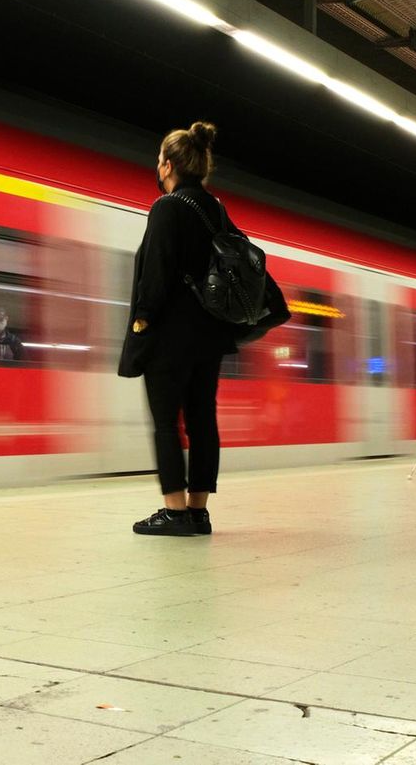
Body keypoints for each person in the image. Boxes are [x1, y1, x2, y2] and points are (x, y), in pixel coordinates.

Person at [123, 122, 243, 536]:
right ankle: (198, 511)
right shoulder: (216, 209)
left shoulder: (168, 207)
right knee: (202, 419)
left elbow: (154, 275)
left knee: (165, 422)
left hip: (170, 337)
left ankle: (173, 512)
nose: (157, 168)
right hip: (209, 336)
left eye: (159, 161)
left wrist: (142, 321)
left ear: (169, 164)